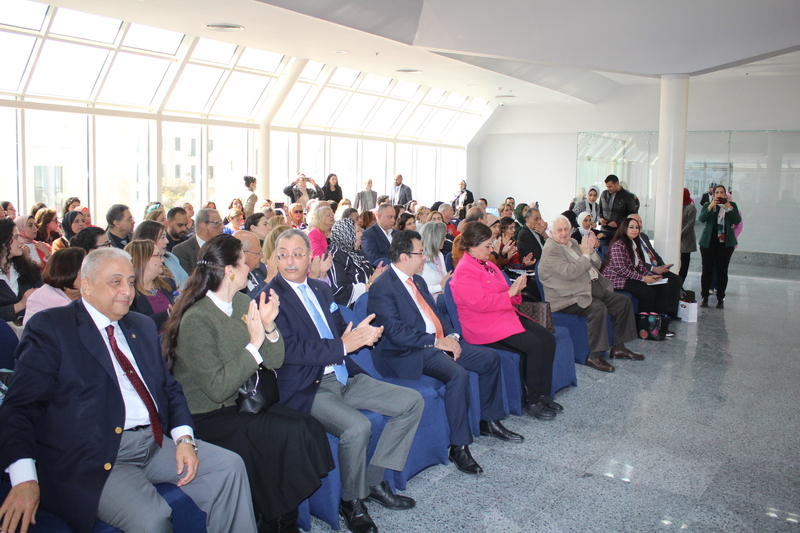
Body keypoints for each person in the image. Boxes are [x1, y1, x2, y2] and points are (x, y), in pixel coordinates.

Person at [0, 247, 256, 533]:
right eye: (115, 281)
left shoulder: (140, 326)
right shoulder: (53, 328)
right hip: (94, 455)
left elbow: (169, 388)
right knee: (152, 518)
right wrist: (24, 478)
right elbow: (20, 407)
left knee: (228, 467)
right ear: (87, 285)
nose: (127, 290)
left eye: (131, 281)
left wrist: (184, 439)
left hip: (154, 441)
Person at [162, 235, 333, 531]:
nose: (250, 268)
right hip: (211, 414)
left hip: (244, 402)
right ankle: (279, 520)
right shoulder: (197, 319)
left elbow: (275, 361)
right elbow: (217, 388)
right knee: (287, 435)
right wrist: (254, 345)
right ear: (229, 271)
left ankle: (280, 516)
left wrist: (269, 327)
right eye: (243, 262)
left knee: (307, 426)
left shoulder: (242, 302)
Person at [266, 229, 423, 533]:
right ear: (275, 258)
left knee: (411, 402)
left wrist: (361, 334)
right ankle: (350, 500)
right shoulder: (269, 297)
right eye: (283, 255)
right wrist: (343, 345)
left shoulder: (320, 289)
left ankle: (374, 482)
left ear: (310, 257)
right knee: (357, 427)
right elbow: (289, 351)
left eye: (297, 254)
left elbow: (340, 330)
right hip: (308, 386)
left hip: (342, 374)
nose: (290, 261)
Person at [369, 229, 522, 476]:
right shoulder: (382, 287)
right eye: (420, 253)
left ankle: (489, 421)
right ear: (404, 257)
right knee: (457, 374)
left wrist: (451, 336)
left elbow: (437, 314)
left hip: (437, 342)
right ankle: (459, 447)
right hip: (409, 351)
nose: (424, 258)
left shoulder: (417, 281)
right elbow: (396, 332)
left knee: (490, 359)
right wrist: (435, 342)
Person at [450, 222, 559, 420]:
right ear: (472, 246)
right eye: (487, 246)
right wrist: (510, 292)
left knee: (548, 339)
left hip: (503, 315)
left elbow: (504, 291)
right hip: (483, 325)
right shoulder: (464, 270)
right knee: (533, 345)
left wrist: (516, 290)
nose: (491, 250)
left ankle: (543, 393)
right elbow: (479, 304)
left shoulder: (488, 265)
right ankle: (532, 400)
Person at [539, 216, 643, 372]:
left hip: (588, 287)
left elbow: (596, 264)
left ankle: (619, 347)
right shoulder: (551, 250)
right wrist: (586, 256)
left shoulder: (573, 243)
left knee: (622, 302)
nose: (563, 233)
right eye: (559, 230)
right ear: (551, 232)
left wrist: (592, 251)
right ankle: (594, 356)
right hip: (566, 297)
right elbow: (569, 272)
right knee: (597, 308)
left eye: (566, 229)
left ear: (571, 230)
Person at [600, 217, 671, 321]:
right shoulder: (618, 245)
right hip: (616, 279)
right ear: (624, 229)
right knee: (647, 292)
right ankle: (644, 324)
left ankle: (658, 321)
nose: (635, 230)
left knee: (661, 286)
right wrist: (643, 278)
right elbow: (621, 270)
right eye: (631, 227)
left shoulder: (633, 244)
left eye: (637, 227)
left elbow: (640, 266)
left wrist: (652, 276)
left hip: (628, 277)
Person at [628, 214, 682, 320]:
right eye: (634, 224)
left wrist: (662, 266)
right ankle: (656, 318)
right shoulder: (629, 240)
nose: (638, 225)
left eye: (640, 222)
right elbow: (637, 263)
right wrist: (653, 269)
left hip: (654, 267)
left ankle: (671, 313)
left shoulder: (644, 237)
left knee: (676, 280)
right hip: (645, 270)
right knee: (661, 285)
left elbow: (653, 253)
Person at [327, 218, 386, 308]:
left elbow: (370, 274)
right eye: (357, 231)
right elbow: (339, 292)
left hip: (372, 300)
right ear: (347, 234)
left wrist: (379, 273)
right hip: (354, 309)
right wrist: (368, 285)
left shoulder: (358, 253)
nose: (361, 234)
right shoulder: (334, 257)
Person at [698, 184, 741, 308]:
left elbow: (737, 221)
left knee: (722, 270)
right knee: (707, 270)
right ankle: (704, 296)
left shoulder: (732, 206)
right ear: (713, 194)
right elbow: (702, 219)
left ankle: (720, 297)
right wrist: (711, 206)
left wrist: (730, 209)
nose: (719, 194)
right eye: (717, 192)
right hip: (709, 242)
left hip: (725, 243)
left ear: (725, 194)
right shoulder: (708, 205)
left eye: (722, 192)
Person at [23, 247, 84, 326]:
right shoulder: (41, 299)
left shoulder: (88, 294)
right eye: (84, 270)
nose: (91, 274)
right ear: (66, 272)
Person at [125, 239, 177, 332]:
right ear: (142, 259)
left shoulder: (168, 283)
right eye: (157, 256)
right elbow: (137, 325)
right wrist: (169, 314)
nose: (162, 259)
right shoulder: (129, 293)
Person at [0, 218, 42, 323]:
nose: (21, 241)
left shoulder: (30, 270)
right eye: (16, 237)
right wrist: (21, 305)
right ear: (3, 242)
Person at [133, 220, 189, 289]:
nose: (167, 241)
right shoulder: (137, 266)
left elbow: (185, 279)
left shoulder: (170, 257)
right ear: (149, 240)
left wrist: (180, 291)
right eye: (162, 238)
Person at [172, 208, 223, 275]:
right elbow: (188, 279)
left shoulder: (223, 247)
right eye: (217, 223)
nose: (223, 227)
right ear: (204, 226)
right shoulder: (181, 251)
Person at [233, 230, 270, 299]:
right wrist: (268, 280)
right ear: (243, 254)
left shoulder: (260, 268)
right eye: (258, 253)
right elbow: (242, 302)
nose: (262, 256)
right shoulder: (230, 277)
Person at [419, 221, 450, 297]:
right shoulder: (419, 259)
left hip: (441, 294)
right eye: (443, 237)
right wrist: (440, 286)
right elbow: (419, 289)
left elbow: (445, 278)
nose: (445, 239)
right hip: (428, 298)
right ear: (435, 240)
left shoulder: (439, 254)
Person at [680, 188, 697, 284]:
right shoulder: (676, 205)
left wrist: (679, 234)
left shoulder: (691, 207)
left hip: (686, 239)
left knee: (684, 263)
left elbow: (690, 224)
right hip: (676, 239)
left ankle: (681, 283)